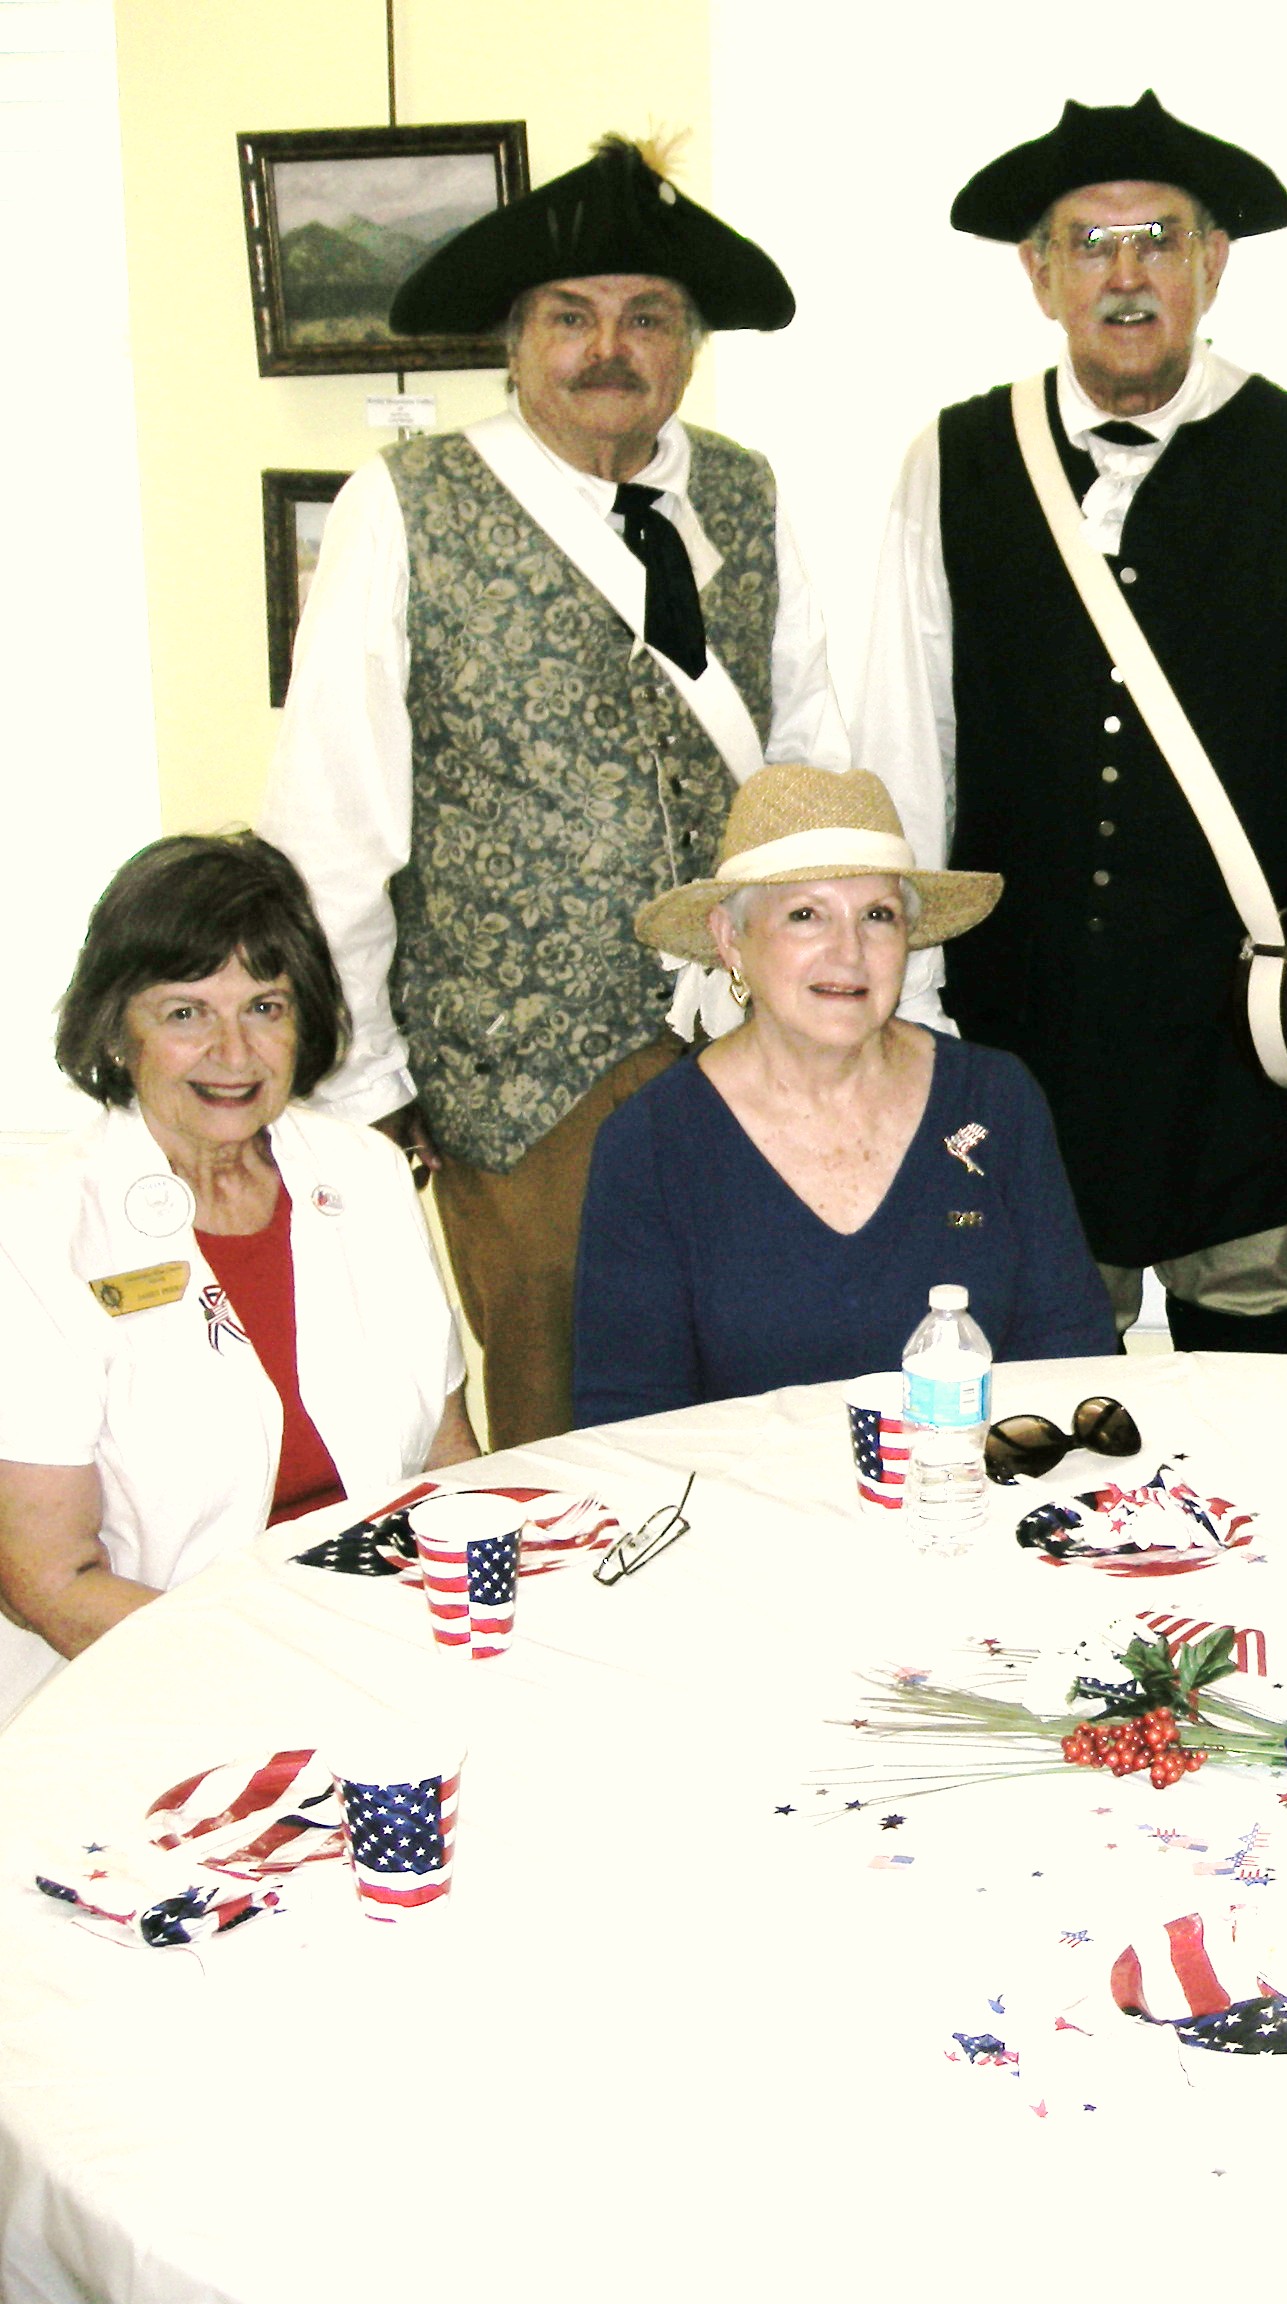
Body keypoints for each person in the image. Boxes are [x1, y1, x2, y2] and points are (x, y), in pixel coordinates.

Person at [859, 91, 1287, 1354]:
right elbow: (903, 745)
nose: (1126, 275)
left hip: (1245, 1025)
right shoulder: (954, 459)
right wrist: (901, 981)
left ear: (1213, 263)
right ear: (1039, 274)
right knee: (1037, 1362)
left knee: (1256, 1352)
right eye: (1090, 244)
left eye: (1158, 239)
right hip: (1021, 1020)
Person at [259, 133, 861, 1450]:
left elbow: (812, 770)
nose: (609, 349)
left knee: (768, 1390)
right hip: (520, 1071)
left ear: (689, 343)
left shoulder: (744, 494)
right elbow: (331, 815)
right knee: (567, 1417)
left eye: (647, 316)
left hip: (746, 1047)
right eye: (570, 316)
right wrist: (359, 1076)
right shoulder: (406, 503)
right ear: (516, 341)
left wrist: (844, 1000)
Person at [0, 836, 473, 1723]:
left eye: (265, 1006)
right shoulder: (34, 1230)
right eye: (185, 1013)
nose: (233, 1051)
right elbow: (50, 1583)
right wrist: (285, 1670)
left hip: (387, 1651)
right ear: (117, 1027)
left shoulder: (367, 1173)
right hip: (148, 1688)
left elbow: (449, 1462)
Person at [572, 767, 1113, 1425]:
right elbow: (627, 1418)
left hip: (974, 1479)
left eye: (878, 917)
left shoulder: (995, 1101)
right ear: (730, 938)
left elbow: (1072, 1352)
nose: (849, 952)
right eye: (806, 915)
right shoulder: (653, 1143)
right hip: (741, 1490)